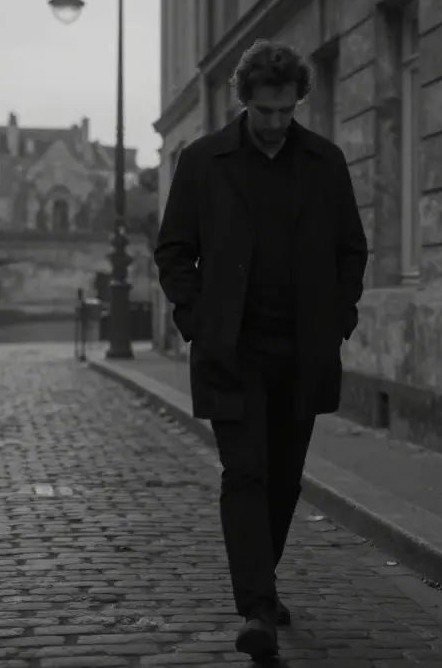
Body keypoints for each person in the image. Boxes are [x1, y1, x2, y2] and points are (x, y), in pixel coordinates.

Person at [154, 39, 369, 662]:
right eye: (264, 110)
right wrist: (199, 322)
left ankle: (262, 588)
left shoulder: (324, 162)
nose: (275, 122)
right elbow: (174, 250)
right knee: (245, 473)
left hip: (303, 350)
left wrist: (339, 318)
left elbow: (350, 249)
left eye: (286, 110)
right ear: (244, 100)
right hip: (232, 350)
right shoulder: (203, 161)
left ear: (298, 101)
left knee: (283, 479)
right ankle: (256, 609)